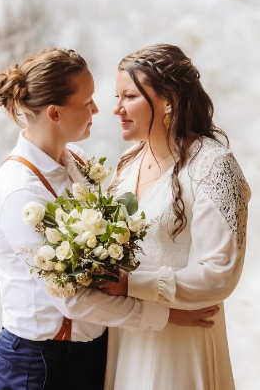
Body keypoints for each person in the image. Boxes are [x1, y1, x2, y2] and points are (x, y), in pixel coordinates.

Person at [0, 48, 219, 390]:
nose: (98, 109)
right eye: (88, 100)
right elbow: (71, 298)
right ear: (54, 113)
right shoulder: (20, 194)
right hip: (41, 363)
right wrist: (167, 315)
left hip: (92, 351)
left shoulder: (77, 161)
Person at [102, 43, 251, 389]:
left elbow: (220, 273)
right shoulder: (128, 161)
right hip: (127, 331)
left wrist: (130, 286)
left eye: (129, 97)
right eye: (117, 97)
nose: (117, 109)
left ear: (168, 100)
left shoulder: (213, 164)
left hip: (181, 337)